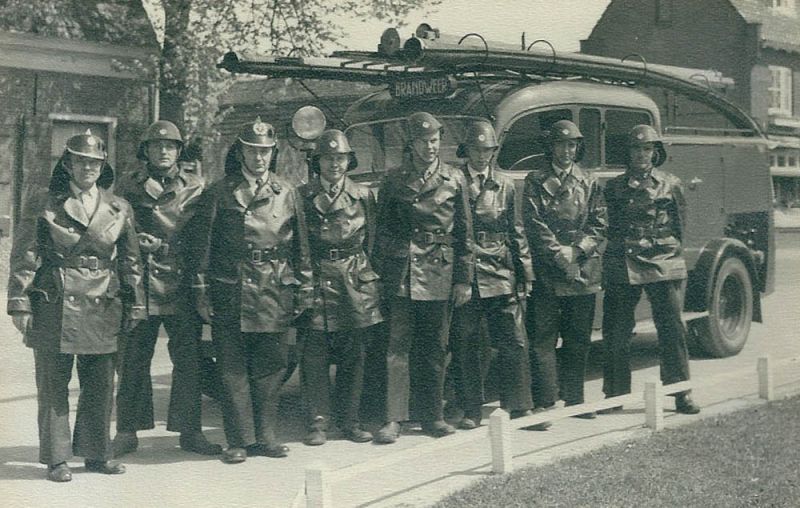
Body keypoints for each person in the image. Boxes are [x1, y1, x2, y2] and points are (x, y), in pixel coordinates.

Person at [7, 131, 145, 482]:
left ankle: (98, 453)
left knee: (100, 382)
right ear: (67, 165)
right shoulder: (44, 203)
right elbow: (25, 255)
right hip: (55, 299)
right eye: (80, 161)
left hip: (105, 302)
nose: (88, 168)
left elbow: (130, 261)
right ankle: (57, 458)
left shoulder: (119, 207)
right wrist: (20, 303)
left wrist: (135, 303)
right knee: (54, 383)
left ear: (103, 166)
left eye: (94, 162)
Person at [192, 118, 314, 463]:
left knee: (271, 367)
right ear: (241, 152)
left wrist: (304, 287)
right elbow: (204, 247)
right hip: (231, 287)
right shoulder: (219, 192)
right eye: (252, 150)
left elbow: (300, 247)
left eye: (265, 151)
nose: (259, 158)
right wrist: (201, 290)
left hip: (275, 287)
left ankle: (266, 437)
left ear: (272, 153)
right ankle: (238, 441)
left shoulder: (287, 192)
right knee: (232, 369)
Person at [113, 120, 221, 458]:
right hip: (140, 282)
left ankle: (190, 431)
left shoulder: (196, 187)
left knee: (188, 361)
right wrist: (134, 242)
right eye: (157, 146)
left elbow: (205, 236)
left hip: (183, 283)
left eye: (171, 146)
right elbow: (114, 227)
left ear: (179, 151)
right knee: (132, 360)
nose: (163, 151)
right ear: (145, 150)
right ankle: (127, 431)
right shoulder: (127, 186)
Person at [372, 111, 474, 444]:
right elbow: (381, 229)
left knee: (435, 346)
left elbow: (464, 233)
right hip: (402, 272)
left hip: (439, 273)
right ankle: (394, 419)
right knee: (397, 348)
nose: (430, 147)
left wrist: (463, 279)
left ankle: (433, 415)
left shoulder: (454, 179)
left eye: (435, 141)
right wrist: (389, 261)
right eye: (423, 141)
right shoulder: (393, 179)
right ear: (411, 144)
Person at [600, 124, 700, 415]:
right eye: (636, 149)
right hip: (625, 261)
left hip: (662, 260)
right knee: (617, 330)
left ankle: (680, 393)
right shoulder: (615, 187)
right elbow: (611, 227)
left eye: (647, 149)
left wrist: (667, 253)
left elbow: (680, 226)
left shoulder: (670, 184)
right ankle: (615, 394)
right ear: (628, 153)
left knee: (671, 328)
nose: (641, 155)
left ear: (656, 153)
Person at [296, 129, 383, 446]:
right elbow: (299, 244)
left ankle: (350, 420)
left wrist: (368, 280)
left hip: (354, 280)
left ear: (349, 161)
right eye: (328, 158)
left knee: (354, 355)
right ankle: (318, 422)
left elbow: (372, 243)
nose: (334, 164)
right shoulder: (302, 197)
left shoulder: (362, 196)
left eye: (340, 158)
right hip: (317, 278)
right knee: (314, 357)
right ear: (317, 162)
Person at [449, 120, 534, 429]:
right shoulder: (455, 182)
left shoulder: (505, 185)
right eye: (476, 150)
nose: (482, 156)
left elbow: (517, 231)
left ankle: (520, 406)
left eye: (488, 150)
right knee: (467, 344)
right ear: (466, 151)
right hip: (470, 274)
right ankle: (470, 409)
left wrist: (525, 274)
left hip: (501, 270)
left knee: (514, 340)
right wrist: (460, 276)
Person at [522, 119, 608, 423]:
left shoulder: (590, 181)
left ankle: (576, 399)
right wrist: (560, 255)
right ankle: (544, 401)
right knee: (543, 337)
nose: (567, 150)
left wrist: (578, 250)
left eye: (572, 145)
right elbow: (533, 223)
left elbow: (600, 223)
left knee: (578, 337)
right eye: (561, 144)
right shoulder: (535, 180)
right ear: (551, 147)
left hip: (583, 270)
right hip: (549, 271)